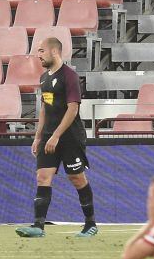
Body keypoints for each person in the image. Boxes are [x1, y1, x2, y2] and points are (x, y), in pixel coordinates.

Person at [16, 37, 97, 239]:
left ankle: (90, 224)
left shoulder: (69, 76)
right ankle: (38, 226)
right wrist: (38, 137)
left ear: (54, 52)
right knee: (43, 177)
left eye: (41, 51)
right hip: (48, 137)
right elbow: (45, 108)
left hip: (69, 137)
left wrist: (56, 136)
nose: (38, 55)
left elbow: (73, 108)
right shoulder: (44, 78)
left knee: (76, 178)